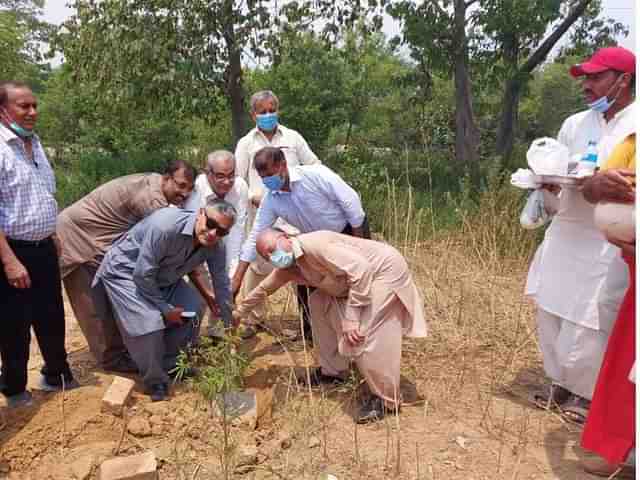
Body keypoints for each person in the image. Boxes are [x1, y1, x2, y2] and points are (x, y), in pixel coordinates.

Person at [525, 46, 635, 423]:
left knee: (589, 317)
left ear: (624, 80)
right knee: (552, 306)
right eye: (585, 78)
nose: (587, 86)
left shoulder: (636, 125)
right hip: (567, 227)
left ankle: (587, 393)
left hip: (605, 236)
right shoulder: (575, 124)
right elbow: (558, 169)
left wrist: (604, 183)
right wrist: (549, 186)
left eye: (595, 77)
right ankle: (558, 380)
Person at [234, 229, 427, 423]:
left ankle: (386, 400)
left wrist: (351, 318)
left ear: (285, 238)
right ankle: (333, 371)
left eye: (271, 249)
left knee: (363, 332)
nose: (271, 256)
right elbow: (264, 289)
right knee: (317, 301)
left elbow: (362, 270)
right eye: (266, 256)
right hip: (356, 281)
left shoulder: (315, 246)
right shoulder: (290, 268)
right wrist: (238, 313)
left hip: (383, 272)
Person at [57, 161, 197, 373]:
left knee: (112, 298)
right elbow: (161, 249)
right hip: (77, 239)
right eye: (180, 185)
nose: (184, 193)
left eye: (189, 188)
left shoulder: (156, 187)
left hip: (100, 242)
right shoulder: (151, 200)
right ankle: (111, 360)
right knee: (95, 306)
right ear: (166, 178)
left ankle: (125, 351)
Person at [92, 199, 235, 401]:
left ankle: (172, 365)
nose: (213, 234)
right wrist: (165, 308)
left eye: (222, 232)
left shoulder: (216, 246)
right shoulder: (165, 227)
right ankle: (154, 380)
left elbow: (221, 285)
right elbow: (142, 275)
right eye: (211, 224)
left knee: (193, 308)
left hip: (163, 277)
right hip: (126, 272)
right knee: (150, 323)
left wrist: (229, 328)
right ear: (201, 213)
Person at [231, 147, 371, 336]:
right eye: (264, 178)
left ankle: (364, 331)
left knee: (359, 283)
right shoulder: (272, 200)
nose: (268, 181)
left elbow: (351, 204)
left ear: (283, 165)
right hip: (314, 244)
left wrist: (358, 245)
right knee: (310, 291)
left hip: (349, 231)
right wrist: (237, 279)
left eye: (271, 175)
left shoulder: (315, 175)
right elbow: (256, 235)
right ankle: (314, 337)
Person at [0, 81, 78, 408]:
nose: (32, 112)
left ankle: (56, 373)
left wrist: (53, 233)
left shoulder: (35, 143)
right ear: (4, 110)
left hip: (44, 245)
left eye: (34, 106)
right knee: (14, 322)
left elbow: (44, 194)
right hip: (12, 250)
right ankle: (15, 387)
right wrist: (8, 261)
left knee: (51, 314)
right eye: (24, 107)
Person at [234, 90, 322, 338]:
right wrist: (252, 196)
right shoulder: (246, 144)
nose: (268, 115)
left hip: (294, 214)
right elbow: (238, 181)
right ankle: (252, 319)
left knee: (301, 265)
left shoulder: (293, 138)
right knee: (258, 265)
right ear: (253, 115)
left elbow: (314, 166)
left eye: (272, 109)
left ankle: (310, 324)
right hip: (262, 215)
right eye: (262, 111)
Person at [580, 134, 635, 478]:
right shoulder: (633, 141)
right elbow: (591, 189)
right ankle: (620, 447)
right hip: (633, 258)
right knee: (626, 357)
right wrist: (598, 184)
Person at [183, 151, 249, 336]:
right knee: (197, 297)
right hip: (197, 247)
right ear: (207, 172)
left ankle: (218, 335)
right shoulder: (195, 189)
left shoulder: (240, 186)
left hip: (225, 244)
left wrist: (234, 270)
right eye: (220, 176)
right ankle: (188, 341)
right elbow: (194, 233)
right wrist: (204, 283)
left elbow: (238, 229)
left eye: (231, 175)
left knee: (226, 292)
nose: (227, 182)